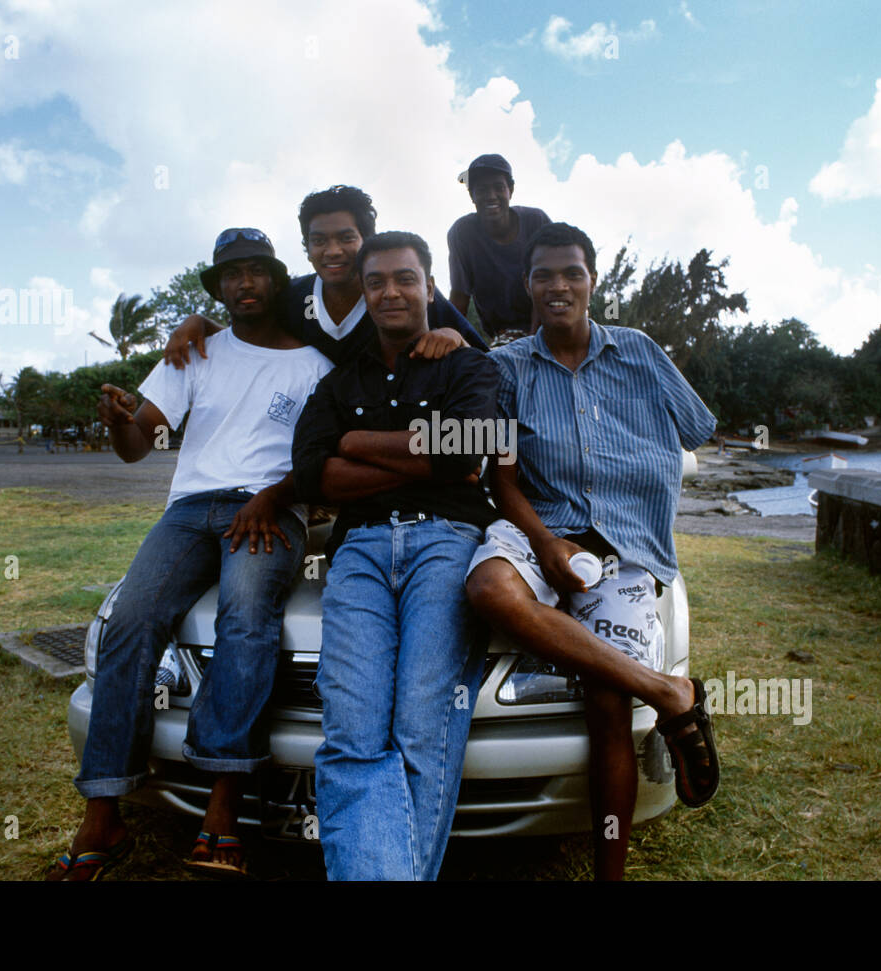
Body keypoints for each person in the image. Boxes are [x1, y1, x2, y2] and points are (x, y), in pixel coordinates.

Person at [49, 228, 332, 881]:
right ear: (218, 288)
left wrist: (275, 495)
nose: (242, 284)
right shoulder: (194, 352)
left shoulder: (314, 365)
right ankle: (103, 812)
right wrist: (122, 416)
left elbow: (318, 462)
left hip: (268, 512)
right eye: (229, 275)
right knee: (131, 617)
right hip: (188, 511)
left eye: (255, 271)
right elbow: (136, 445)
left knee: (245, 614)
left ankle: (222, 807)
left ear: (276, 279)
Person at [463, 222, 720, 882]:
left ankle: (610, 875)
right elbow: (502, 476)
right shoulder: (506, 366)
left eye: (571, 272)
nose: (558, 286)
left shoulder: (639, 351)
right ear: (526, 285)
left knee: (606, 705)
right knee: (489, 589)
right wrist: (545, 543)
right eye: (544, 274)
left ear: (592, 280)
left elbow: (697, 429)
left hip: (626, 551)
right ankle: (672, 693)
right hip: (536, 530)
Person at [291, 231, 500, 880]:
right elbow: (310, 476)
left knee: (422, 724)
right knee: (352, 730)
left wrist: (355, 443)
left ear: (429, 287)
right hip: (358, 551)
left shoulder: (470, 367)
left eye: (405, 278)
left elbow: (470, 453)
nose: (390, 291)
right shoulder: (337, 381)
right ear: (364, 291)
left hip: (447, 540)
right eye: (376, 280)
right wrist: (422, 461)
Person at [163, 185, 486, 369]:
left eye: (346, 238)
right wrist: (201, 323)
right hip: (323, 430)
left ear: (367, 242)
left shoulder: (405, 293)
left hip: (399, 427)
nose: (332, 251)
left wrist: (453, 336)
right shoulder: (292, 297)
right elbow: (253, 342)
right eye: (320, 241)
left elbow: (481, 355)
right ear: (306, 248)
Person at [447, 153, 551, 343]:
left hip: (547, 325)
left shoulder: (536, 222)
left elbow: (547, 283)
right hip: (502, 335)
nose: (491, 196)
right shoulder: (462, 233)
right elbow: (460, 295)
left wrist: (533, 340)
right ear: (472, 196)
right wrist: (451, 338)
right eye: (482, 189)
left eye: (498, 187)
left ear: (510, 190)